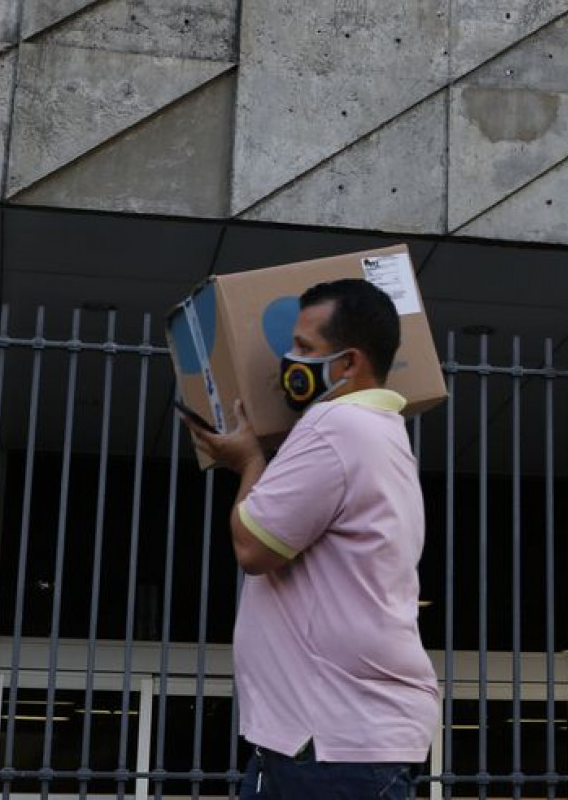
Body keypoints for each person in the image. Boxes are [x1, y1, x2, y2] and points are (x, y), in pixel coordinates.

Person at [183, 278, 437, 800]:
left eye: (304, 347)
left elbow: (254, 548)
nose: (289, 360)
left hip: (330, 745)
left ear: (348, 363)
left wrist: (249, 462)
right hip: (329, 738)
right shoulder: (382, 432)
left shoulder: (337, 424)